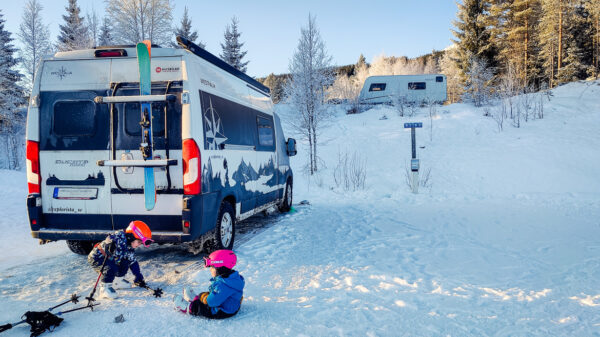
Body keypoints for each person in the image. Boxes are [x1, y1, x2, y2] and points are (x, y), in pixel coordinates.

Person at [87, 220, 154, 299]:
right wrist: (109, 243)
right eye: (139, 242)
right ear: (131, 236)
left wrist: (138, 276)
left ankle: (117, 282)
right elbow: (110, 238)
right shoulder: (118, 239)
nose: (139, 245)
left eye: (141, 243)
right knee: (111, 266)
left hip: (113, 259)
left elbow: (132, 261)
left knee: (126, 262)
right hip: (98, 258)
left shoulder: (129, 245)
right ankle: (104, 288)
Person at [174, 249, 245, 319]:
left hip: (223, 311)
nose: (210, 269)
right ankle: (195, 299)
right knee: (211, 295)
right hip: (231, 306)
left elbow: (211, 302)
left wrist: (203, 297)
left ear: (220, 268)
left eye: (212, 267)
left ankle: (189, 307)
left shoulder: (222, 285)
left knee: (203, 308)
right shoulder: (232, 278)